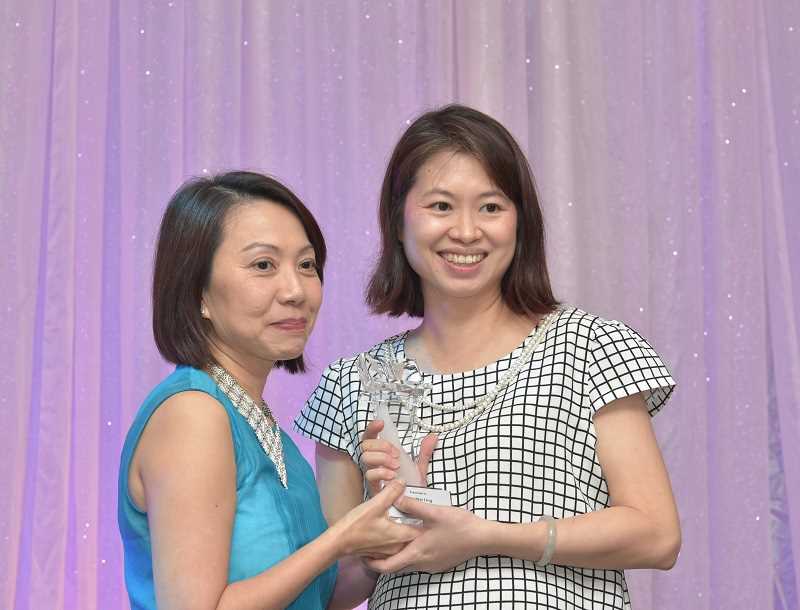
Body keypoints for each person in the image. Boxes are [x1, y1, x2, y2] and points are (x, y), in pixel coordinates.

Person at [294, 105, 681, 609]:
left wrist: (486, 536)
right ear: (398, 220)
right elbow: (328, 594)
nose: (466, 231)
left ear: (521, 223)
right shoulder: (358, 380)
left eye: (491, 207)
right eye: (441, 206)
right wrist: (383, 536)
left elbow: (657, 535)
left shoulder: (590, 346)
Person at [117, 171, 420, 610]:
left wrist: (384, 526)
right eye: (263, 265)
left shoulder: (268, 432)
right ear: (198, 291)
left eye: (307, 265)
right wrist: (338, 539)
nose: (296, 291)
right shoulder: (193, 413)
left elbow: (316, 598)